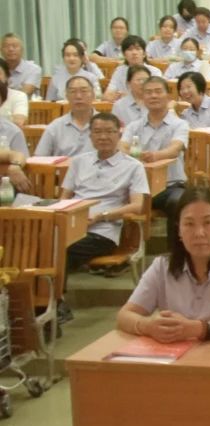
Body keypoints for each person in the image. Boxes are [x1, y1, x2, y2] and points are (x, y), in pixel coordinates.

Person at [116, 187, 210, 342]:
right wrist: (147, 326)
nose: (199, 233)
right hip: (177, 354)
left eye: (208, 222)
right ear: (178, 229)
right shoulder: (162, 267)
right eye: (189, 224)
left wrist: (197, 329)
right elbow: (124, 315)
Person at [60, 114, 150, 308]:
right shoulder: (78, 162)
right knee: (40, 246)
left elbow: (137, 205)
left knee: (60, 250)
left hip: (102, 232)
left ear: (119, 135)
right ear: (90, 136)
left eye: (109, 132)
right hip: (72, 226)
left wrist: (102, 216)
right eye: (98, 132)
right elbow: (64, 199)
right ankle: (40, 304)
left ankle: (56, 304)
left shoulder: (133, 166)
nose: (103, 137)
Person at [121, 77, 188, 215]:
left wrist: (154, 156)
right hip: (137, 188)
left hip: (170, 186)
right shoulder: (134, 126)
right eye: (148, 92)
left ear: (168, 95)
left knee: (178, 202)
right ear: (143, 97)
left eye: (158, 91)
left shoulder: (180, 124)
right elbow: (122, 147)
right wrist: (135, 155)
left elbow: (175, 149)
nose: (153, 96)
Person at [35, 76, 96, 157]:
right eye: (73, 91)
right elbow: (40, 158)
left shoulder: (107, 124)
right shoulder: (55, 127)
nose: (78, 96)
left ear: (93, 95)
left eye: (84, 91)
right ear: (66, 96)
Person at [104, 36, 162, 100]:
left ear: (144, 54)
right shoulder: (119, 71)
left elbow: (158, 95)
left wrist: (128, 97)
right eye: (130, 49)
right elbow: (107, 94)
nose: (134, 53)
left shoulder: (154, 71)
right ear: (124, 55)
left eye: (138, 49)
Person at [111, 65, 150, 133]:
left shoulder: (156, 102)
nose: (142, 83)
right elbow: (115, 130)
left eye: (146, 80)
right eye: (139, 80)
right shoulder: (119, 105)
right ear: (128, 83)